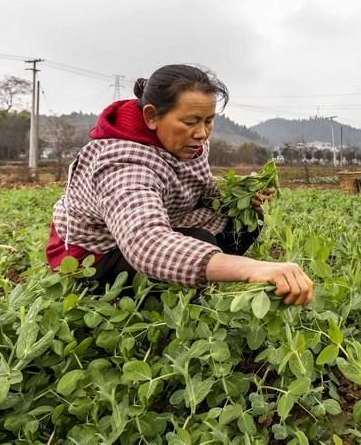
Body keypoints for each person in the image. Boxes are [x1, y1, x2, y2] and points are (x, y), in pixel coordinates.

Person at [46, 64, 313, 306]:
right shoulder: (122, 162)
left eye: (208, 121)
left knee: (242, 217)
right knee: (198, 239)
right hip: (93, 256)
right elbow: (146, 242)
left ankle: (202, 277)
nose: (201, 133)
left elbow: (200, 186)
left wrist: (239, 190)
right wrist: (251, 268)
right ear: (151, 116)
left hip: (160, 222)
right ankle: (175, 296)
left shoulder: (187, 141)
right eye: (190, 122)